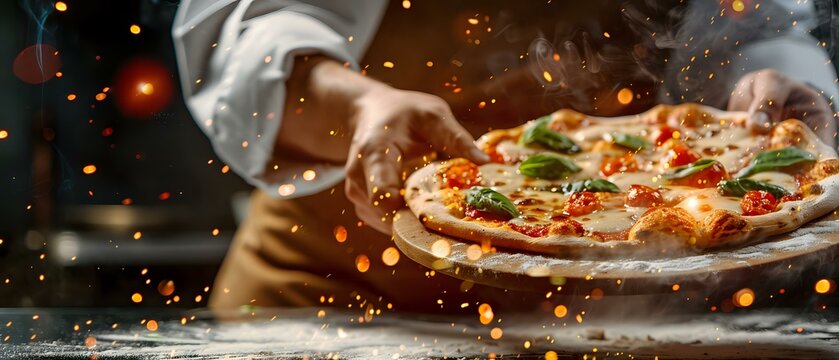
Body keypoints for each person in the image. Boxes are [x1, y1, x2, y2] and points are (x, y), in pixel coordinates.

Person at [172, 0, 838, 312]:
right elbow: (242, 28)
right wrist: (356, 108)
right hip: (340, 286)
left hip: (648, 303)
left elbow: (750, 18)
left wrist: (775, 87)